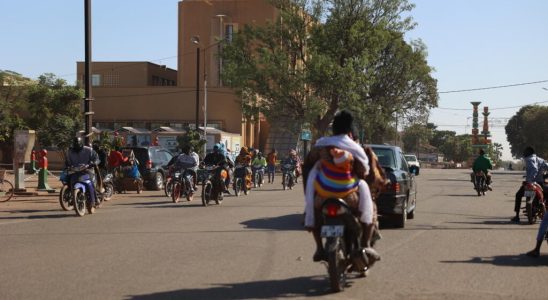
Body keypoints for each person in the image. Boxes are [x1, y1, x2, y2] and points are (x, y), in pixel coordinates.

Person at [303, 110, 378, 263]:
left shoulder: (322, 144)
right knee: (372, 210)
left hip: (323, 195)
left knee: (313, 211)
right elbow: (365, 170)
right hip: (348, 196)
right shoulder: (354, 147)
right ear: (350, 130)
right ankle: (365, 244)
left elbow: (308, 163)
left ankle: (319, 247)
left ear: (334, 128)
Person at [510, 146, 548, 223]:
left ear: (529, 152)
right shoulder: (541, 160)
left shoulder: (529, 159)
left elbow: (534, 169)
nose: (524, 153)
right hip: (540, 183)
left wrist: (530, 180)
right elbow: (546, 167)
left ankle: (517, 216)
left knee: (518, 195)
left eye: (525, 152)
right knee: (546, 194)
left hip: (530, 183)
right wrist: (544, 175)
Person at [65, 136, 101, 207]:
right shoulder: (70, 152)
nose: (76, 147)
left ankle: (96, 198)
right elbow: (67, 162)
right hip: (75, 171)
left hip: (88, 170)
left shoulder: (89, 150)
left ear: (81, 143)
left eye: (78, 144)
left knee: (90, 182)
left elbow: (97, 158)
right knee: (68, 180)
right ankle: (72, 197)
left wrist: (93, 163)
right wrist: (67, 166)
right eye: (75, 145)